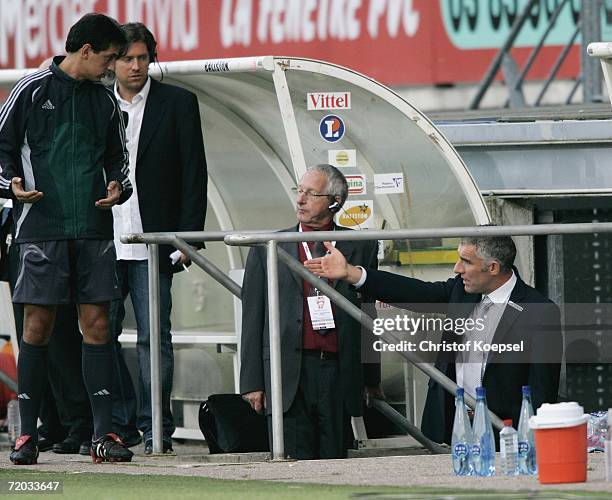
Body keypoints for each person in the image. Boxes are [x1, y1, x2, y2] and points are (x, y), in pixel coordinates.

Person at [0, 13, 133, 465]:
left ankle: (103, 435)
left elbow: (119, 157)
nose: (113, 67)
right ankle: (26, 437)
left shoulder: (106, 102)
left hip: (94, 229)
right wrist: (12, 186)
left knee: (98, 327)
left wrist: (118, 186)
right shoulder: (32, 90)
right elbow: (1, 148)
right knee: (37, 329)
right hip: (41, 231)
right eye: (111, 58)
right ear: (86, 51)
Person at [305, 233, 562, 445]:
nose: (457, 268)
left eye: (465, 262)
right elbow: (416, 293)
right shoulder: (462, 291)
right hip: (449, 425)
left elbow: (542, 388)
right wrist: (353, 274)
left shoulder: (539, 310)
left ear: (492, 267)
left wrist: (534, 441)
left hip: (504, 433)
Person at [109, 23, 207, 455]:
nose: (135, 66)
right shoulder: (95, 103)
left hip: (155, 241)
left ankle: (156, 427)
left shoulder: (178, 103)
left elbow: (193, 173)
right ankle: (118, 424)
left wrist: (187, 240)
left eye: (142, 58)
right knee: (98, 337)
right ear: (111, 61)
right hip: (103, 241)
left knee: (155, 338)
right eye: (127, 58)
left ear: (152, 58)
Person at [240, 164, 382, 459]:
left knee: (335, 461)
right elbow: (253, 316)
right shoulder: (268, 247)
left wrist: (371, 377)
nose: (300, 200)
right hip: (288, 371)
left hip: (337, 370)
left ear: (334, 202)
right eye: (299, 191)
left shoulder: (360, 245)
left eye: (311, 193)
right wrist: (252, 381)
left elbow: (368, 314)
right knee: (291, 461)